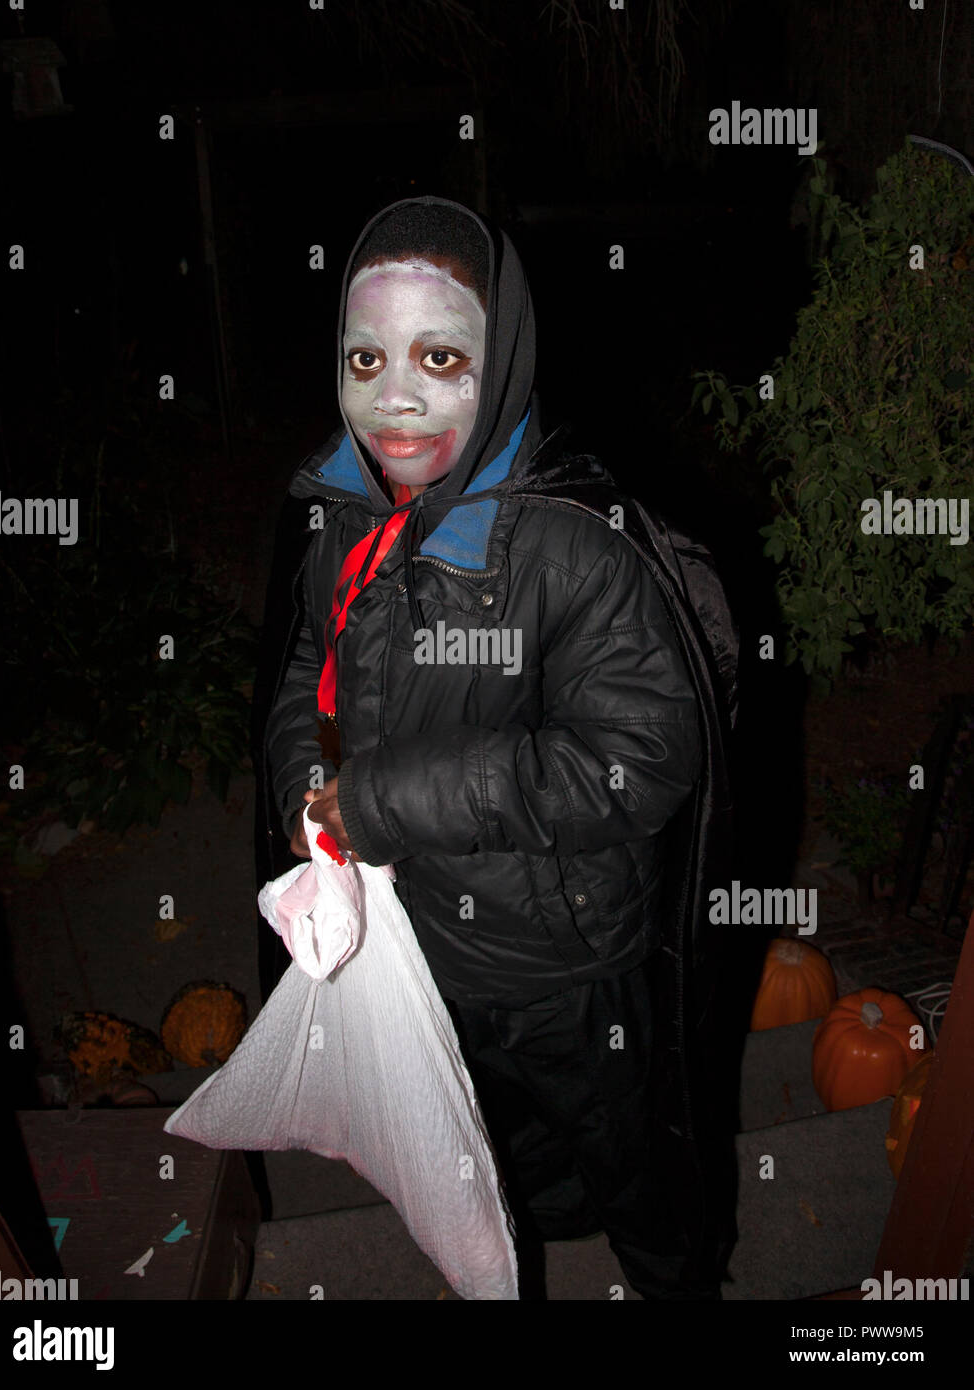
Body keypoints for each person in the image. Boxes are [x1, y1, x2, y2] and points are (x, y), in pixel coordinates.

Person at [253, 195, 739, 1299]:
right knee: (479, 1137)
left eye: (439, 354)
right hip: (422, 949)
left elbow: (634, 758)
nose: (397, 397)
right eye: (364, 356)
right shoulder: (342, 510)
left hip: (565, 961)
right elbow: (302, 671)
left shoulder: (574, 546)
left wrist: (387, 800)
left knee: (634, 1162)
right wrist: (302, 781)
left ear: (502, 355)